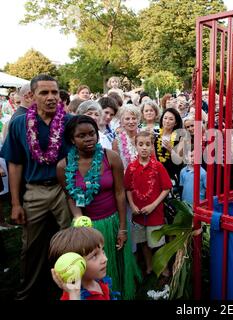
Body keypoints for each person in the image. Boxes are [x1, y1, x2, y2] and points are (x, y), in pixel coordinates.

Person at [0, 74, 73, 300]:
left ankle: (72, 290)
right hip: (35, 190)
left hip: (64, 190)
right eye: (44, 93)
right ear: (32, 95)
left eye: (54, 92)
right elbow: (14, 164)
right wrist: (15, 203)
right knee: (30, 247)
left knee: (71, 242)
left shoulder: (70, 121)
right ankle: (28, 292)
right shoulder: (19, 123)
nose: (51, 97)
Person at [56, 115, 141, 299]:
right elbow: (71, 197)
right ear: (72, 139)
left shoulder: (111, 157)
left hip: (112, 221)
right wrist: (79, 219)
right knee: (91, 270)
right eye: (82, 135)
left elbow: (120, 193)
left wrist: (122, 228)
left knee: (113, 265)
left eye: (92, 134)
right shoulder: (64, 166)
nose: (88, 139)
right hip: (86, 228)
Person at [124, 131, 172, 276]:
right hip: (138, 214)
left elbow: (166, 188)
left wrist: (153, 205)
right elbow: (128, 189)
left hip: (155, 213)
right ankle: (149, 265)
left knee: (157, 243)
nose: (144, 148)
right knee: (143, 242)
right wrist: (132, 205)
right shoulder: (131, 168)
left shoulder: (158, 166)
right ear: (135, 146)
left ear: (152, 146)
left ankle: (163, 267)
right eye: (141, 144)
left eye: (148, 144)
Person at [49, 226, 118, 300]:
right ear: (73, 265)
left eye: (103, 251)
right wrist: (74, 294)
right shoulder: (71, 295)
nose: (105, 259)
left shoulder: (96, 279)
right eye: (94, 256)